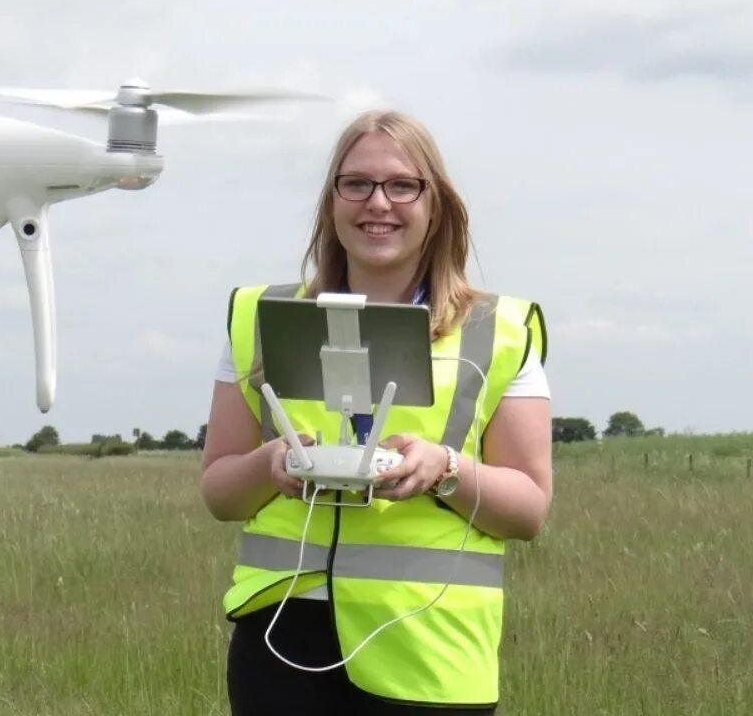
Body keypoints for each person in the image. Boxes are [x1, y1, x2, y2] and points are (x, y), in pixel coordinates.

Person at [200, 109, 552, 715]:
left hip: (431, 647)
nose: (377, 203)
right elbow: (220, 494)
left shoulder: (499, 331)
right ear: (331, 202)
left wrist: (444, 469)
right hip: (283, 641)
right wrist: (271, 464)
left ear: (435, 204)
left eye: (402, 185)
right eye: (356, 183)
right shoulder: (258, 316)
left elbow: (528, 510)